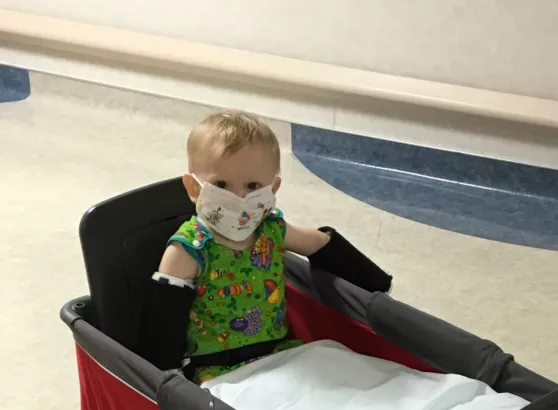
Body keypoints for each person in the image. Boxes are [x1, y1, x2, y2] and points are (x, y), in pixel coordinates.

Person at [140, 111, 392, 381]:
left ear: (273, 189)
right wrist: (169, 386)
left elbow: (319, 243)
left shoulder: (271, 229)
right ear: (193, 188)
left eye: (252, 185)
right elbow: (163, 324)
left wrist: (378, 291)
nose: (238, 198)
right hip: (214, 369)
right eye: (221, 184)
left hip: (279, 355)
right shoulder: (189, 249)